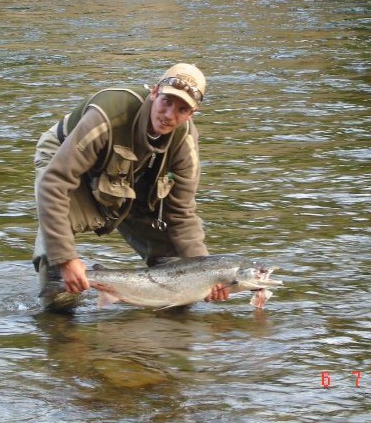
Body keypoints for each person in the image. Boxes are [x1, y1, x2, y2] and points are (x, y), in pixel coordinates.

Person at [32, 63, 229, 310]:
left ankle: (166, 335)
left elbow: (181, 214)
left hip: (129, 177)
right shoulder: (108, 115)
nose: (169, 115)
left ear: (192, 113)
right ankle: (56, 313)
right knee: (60, 291)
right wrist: (66, 259)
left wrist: (207, 273)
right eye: (166, 101)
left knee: (180, 272)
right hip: (64, 160)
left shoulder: (185, 144)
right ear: (154, 92)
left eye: (182, 109)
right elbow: (55, 183)